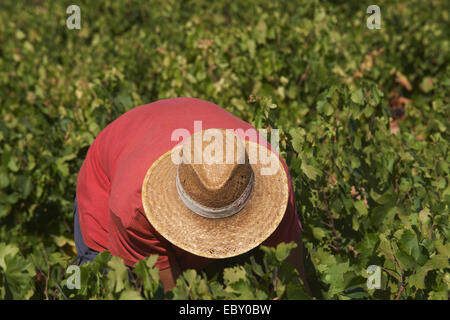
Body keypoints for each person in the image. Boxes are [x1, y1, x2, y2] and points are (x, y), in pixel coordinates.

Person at [75, 97, 309, 293]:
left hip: (163, 130)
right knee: (112, 284)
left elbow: (296, 283)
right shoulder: (134, 208)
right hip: (110, 180)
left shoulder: (273, 177)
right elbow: (174, 296)